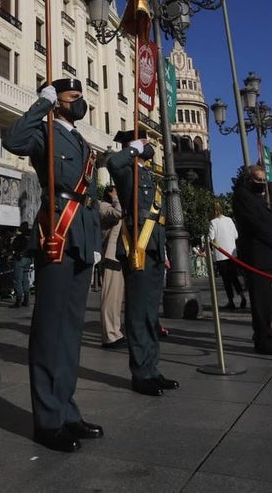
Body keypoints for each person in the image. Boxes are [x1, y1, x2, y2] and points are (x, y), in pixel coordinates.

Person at [4, 78, 102, 453]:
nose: (80, 102)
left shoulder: (82, 142)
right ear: (57, 101)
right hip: (57, 231)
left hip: (81, 234)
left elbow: (90, 195)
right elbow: (13, 141)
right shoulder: (44, 131)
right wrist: (40, 105)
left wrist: (94, 242)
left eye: (81, 97)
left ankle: (67, 409)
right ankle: (47, 420)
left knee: (71, 331)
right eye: (73, 97)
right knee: (49, 330)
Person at [107, 130, 179, 398]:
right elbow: (113, 163)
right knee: (138, 314)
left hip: (153, 248)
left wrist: (164, 251)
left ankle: (151, 368)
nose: (149, 147)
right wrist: (134, 148)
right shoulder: (126, 171)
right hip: (136, 247)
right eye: (144, 143)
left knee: (150, 314)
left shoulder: (147, 175)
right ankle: (141, 373)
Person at [231, 165, 272, 355]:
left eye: (264, 180)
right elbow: (255, 224)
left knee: (267, 300)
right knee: (262, 302)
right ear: (248, 180)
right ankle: (264, 340)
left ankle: (266, 337)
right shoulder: (243, 196)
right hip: (258, 257)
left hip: (266, 256)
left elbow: (268, 223)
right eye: (258, 180)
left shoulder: (257, 198)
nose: (262, 184)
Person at [98, 185, 126, 348]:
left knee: (117, 300)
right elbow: (119, 213)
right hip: (110, 256)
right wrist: (116, 198)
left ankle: (116, 332)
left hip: (119, 256)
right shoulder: (103, 206)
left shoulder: (113, 206)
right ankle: (109, 335)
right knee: (110, 299)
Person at [207, 200, 245, 311]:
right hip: (232, 254)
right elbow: (236, 235)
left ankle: (231, 300)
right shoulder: (229, 220)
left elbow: (210, 238)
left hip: (221, 255)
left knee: (226, 280)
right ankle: (242, 296)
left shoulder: (213, 222)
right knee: (234, 277)